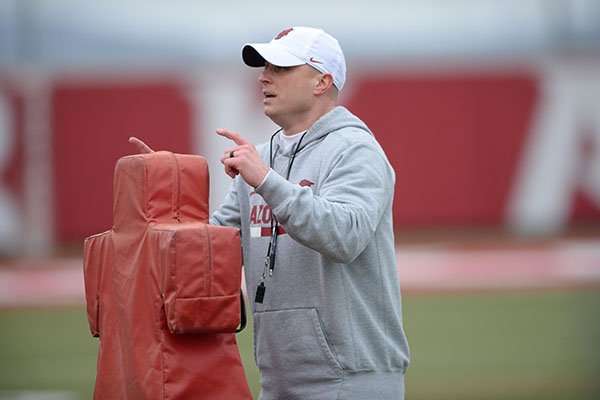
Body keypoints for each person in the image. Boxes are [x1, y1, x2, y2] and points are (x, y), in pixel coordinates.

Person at [131, 26, 409, 400]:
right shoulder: (262, 158)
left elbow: (345, 236)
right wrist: (166, 190)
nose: (263, 76)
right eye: (264, 67)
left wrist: (265, 180)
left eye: (280, 67)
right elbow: (210, 253)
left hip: (352, 381)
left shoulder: (355, 150)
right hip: (278, 382)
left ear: (321, 81)